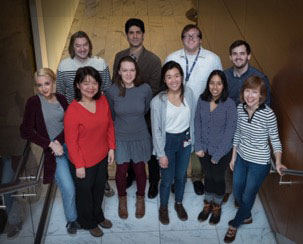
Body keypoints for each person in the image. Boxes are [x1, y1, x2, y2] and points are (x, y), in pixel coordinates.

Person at [224, 76, 287, 243]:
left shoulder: (268, 114)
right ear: (242, 92)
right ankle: (247, 215)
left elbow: (275, 140)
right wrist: (233, 156)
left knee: (248, 195)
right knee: (237, 191)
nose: (250, 95)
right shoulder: (239, 109)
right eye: (247, 91)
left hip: (260, 163)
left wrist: (278, 161)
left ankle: (235, 224)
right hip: (242, 158)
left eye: (254, 92)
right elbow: (237, 133)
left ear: (261, 95)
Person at [20, 68, 80, 234]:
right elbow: (26, 131)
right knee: (68, 187)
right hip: (54, 153)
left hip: (71, 146)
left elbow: (70, 123)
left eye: (47, 83)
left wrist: (58, 141)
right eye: (39, 85)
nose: (44, 88)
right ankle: (72, 220)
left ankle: (84, 214)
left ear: (53, 82)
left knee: (79, 181)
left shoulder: (61, 98)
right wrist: (51, 144)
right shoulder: (33, 102)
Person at [165, 24, 222, 195]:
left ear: (200, 39)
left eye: (194, 35)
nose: (190, 38)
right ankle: (178, 177)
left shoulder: (213, 59)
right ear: (182, 39)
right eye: (186, 36)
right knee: (178, 145)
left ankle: (197, 178)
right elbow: (165, 83)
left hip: (203, 111)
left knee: (198, 144)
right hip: (178, 111)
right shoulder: (172, 57)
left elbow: (218, 84)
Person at [56, 31, 114, 197]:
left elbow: (107, 88)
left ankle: (103, 182)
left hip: (96, 112)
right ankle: (81, 181)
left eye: (85, 44)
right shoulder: (64, 66)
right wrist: (70, 113)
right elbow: (60, 91)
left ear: (90, 45)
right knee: (77, 148)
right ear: (72, 47)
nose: (82, 48)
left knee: (99, 148)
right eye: (78, 45)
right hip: (75, 116)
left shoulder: (100, 63)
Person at [113, 18, 162, 199]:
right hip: (126, 116)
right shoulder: (119, 56)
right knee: (131, 150)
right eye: (131, 32)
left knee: (150, 151)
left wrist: (138, 106)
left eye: (138, 32)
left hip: (147, 115)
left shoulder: (154, 60)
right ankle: (132, 175)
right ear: (126, 35)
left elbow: (156, 89)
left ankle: (154, 181)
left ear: (143, 35)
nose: (135, 36)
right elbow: (115, 83)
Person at [64, 66, 115, 237]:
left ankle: (98, 216)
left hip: (101, 156)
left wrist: (111, 148)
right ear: (77, 85)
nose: (90, 86)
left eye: (94, 82)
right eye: (85, 83)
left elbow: (109, 125)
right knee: (85, 193)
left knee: (99, 188)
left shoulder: (102, 101)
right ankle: (88, 222)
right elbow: (71, 142)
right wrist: (79, 165)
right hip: (82, 161)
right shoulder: (73, 111)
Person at [223, 40, 271, 204]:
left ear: (248, 56)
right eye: (235, 54)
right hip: (228, 129)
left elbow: (265, 107)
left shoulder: (259, 78)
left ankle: (240, 197)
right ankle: (228, 190)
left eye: (242, 53)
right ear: (230, 56)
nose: (238, 57)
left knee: (243, 166)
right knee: (228, 161)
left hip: (248, 131)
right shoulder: (225, 76)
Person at [106, 56, 152, 219]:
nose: (128, 73)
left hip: (140, 135)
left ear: (136, 71)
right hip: (121, 137)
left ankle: (140, 198)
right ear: (118, 71)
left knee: (140, 169)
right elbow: (111, 115)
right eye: (124, 70)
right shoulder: (111, 91)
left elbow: (146, 108)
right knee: (121, 170)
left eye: (132, 70)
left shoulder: (145, 89)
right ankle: (122, 199)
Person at [151, 61, 195, 225]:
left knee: (181, 176)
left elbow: (192, 119)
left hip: (185, 140)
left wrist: (193, 142)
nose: (174, 80)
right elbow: (156, 131)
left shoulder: (189, 93)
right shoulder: (157, 102)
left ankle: (178, 203)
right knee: (167, 179)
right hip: (167, 142)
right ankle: (163, 207)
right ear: (164, 79)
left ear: (182, 77)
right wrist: (160, 154)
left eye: (177, 76)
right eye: (169, 77)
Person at [194, 70, 237, 225]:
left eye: (219, 83)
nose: (215, 87)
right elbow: (197, 123)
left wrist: (217, 155)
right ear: (208, 84)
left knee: (218, 179)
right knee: (209, 177)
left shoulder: (230, 104)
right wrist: (198, 146)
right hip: (203, 150)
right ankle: (207, 204)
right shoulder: (202, 100)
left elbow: (229, 133)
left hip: (222, 152)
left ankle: (217, 206)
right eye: (212, 83)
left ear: (224, 85)